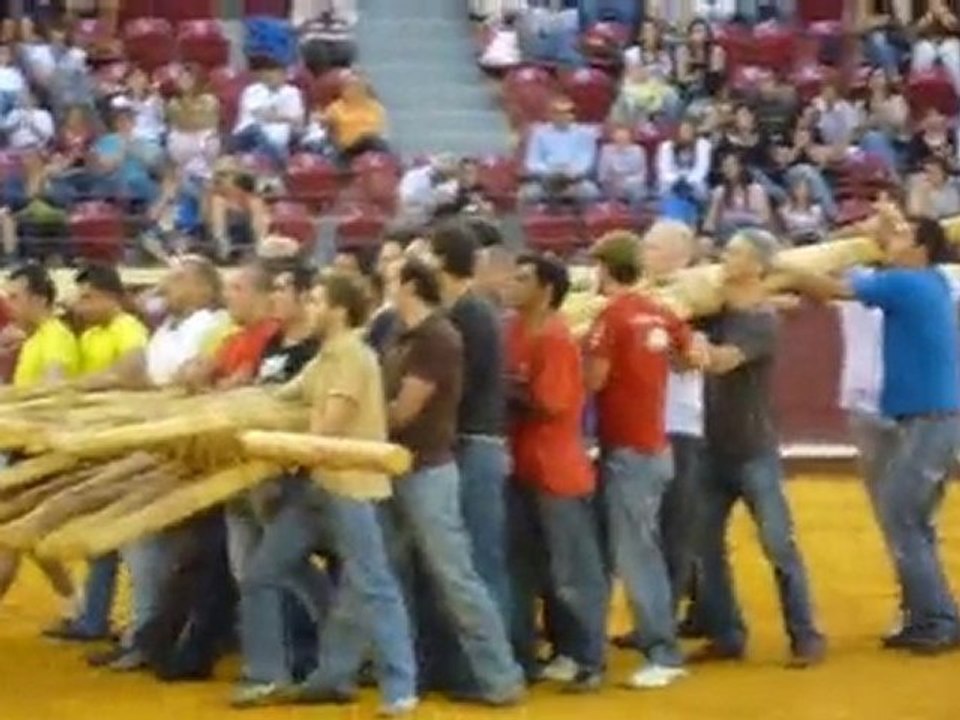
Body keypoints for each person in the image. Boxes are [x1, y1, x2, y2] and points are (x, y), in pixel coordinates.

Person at [237, 271, 418, 716]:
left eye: (317, 301)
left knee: (374, 585)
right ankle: (268, 675)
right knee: (262, 573)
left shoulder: (353, 357)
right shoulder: (327, 357)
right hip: (321, 485)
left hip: (352, 487)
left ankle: (400, 688)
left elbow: (328, 428)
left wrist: (270, 432)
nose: (309, 308)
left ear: (338, 309)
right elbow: (280, 397)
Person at [785, 208, 960, 654]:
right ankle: (928, 615)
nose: (890, 241)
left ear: (919, 248)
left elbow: (831, 287)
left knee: (900, 514)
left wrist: (781, 265)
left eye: (900, 236)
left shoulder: (904, 282)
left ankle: (939, 620)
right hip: (931, 415)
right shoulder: (930, 280)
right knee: (913, 519)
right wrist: (873, 229)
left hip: (929, 417)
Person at [382, 259, 524, 706]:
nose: (384, 285)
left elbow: (403, 411)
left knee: (453, 575)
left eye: (390, 279)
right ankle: (361, 671)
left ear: (409, 286)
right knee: (383, 573)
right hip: (404, 466)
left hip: (425, 469)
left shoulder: (436, 337)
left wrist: (355, 419)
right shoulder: (408, 334)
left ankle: (500, 676)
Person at [693, 229, 827, 668]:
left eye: (735, 253)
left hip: (752, 448)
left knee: (778, 545)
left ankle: (805, 635)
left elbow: (723, 360)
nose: (724, 257)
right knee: (704, 547)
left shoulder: (760, 319)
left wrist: (693, 343)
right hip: (715, 446)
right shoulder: (717, 310)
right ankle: (727, 634)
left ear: (756, 266)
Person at [89, 256, 228, 671]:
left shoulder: (212, 326)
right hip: (160, 444)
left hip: (193, 449)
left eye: (179, 279)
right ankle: (146, 633)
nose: (168, 285)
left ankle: (155, 636)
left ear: (204, 288)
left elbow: (191, 380)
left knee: (167, 546)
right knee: (146, 543)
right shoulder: (167, 328)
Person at [585, 231, 703, 689]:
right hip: (655, 443)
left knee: (636, 554)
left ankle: (662, 651)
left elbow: (594, 380)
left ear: (605, 268)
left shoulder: (612, 316)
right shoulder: (660, 311)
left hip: (627, 448)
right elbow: (692, 357)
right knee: (638, 547)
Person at [505, 252, 608, 692]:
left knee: (571, 572)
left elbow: (551, 402)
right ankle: (567, 650)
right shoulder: (518, 330)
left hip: (556, 470)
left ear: (545, 290)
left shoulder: (555, 338)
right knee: (538, 569)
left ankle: (588, 658)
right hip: (529, 465)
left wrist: (503, 390)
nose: (512, 284)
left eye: (522, 279)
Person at [40, 264, 149, 643]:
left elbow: (132, 373)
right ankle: (95, 618)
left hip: (125, 442)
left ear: (110, 297)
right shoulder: (91, 335)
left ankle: (126, 624)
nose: (80, 305)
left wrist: (77, 387)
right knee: (103, 538)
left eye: (88, 298)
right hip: (102, 441)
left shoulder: (127, 327)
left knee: (128, 540)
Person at [0, 263, 78, 621]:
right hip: (27, 449)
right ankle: (74, 601)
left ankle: (75, 601)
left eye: (16, 297)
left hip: (40, 451)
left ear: (38, 299)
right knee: (29, 538)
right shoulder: (36, 339)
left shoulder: (55, 338)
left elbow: (52, 393)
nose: (10, 305)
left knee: (10, 536)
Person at [520, 96, 599, 209]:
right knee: (528, 193)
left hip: (574, 181)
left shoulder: (585, 134)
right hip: (546, 179)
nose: (562, 117)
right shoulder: (539, 133)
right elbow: (531, 162)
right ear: (551, 115)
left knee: (590, 192)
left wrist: (569, 172)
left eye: (567, 112)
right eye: (557, 113)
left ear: (573, 115)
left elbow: (586, 162)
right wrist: (552, 171)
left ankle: (582, 219)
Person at [232, 62, 306, 169]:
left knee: (276, 141)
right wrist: (285, 117)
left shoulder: (293, 92)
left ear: (284, 75)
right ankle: (282, 163)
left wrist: (277, 117)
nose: (269, 75)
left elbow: (298, 121)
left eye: (274, 72)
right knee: (261, 134)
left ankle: (265, 161)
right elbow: (262, 115)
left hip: (281, 136)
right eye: (268, 72)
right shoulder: (252, 91)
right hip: (249, 132)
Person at [324, 75, 389, 163]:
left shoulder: (375, 107)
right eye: (349, 86)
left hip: (373, 144)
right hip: (349, 147)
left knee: (372, 140)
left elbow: (381, 131)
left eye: (357, 87)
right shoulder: (335, 108)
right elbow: (331, 132)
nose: (353, 90)